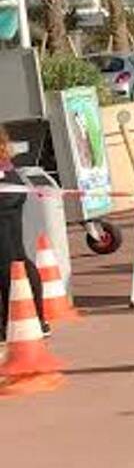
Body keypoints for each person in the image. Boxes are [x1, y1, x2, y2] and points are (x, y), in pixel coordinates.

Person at [0, 126, 47, 330]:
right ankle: (36, 319)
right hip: (10, 184)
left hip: (4, 191)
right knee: (17, 256)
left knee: (5, 261)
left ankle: (12, 324)